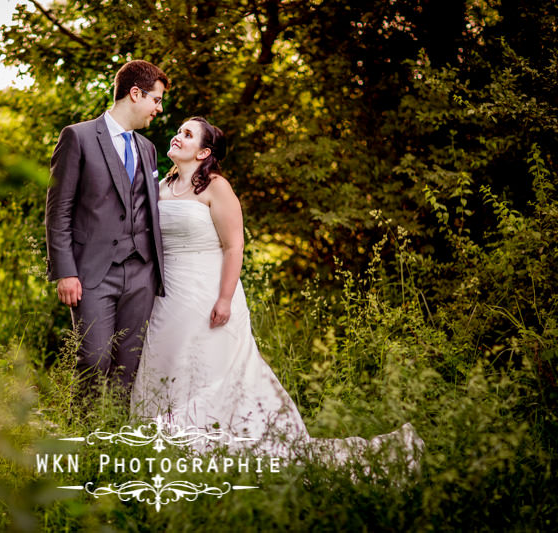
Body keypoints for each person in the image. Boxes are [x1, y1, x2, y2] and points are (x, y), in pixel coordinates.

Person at [130, 117, 424, 469]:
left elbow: (234, 246)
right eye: (179, 131)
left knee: (211, 372)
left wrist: (224, 299)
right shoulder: (161, 186)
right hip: (169, 298)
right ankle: (165, 454)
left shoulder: (216, 187)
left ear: (204, 152)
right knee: (168, 368)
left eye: (187, 135)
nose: (178, 137)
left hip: (209, 295)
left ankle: (218, 451)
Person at [45, 60, 169, 394]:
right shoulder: (78, 137)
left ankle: (114, 441)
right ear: (134, 93)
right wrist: (65, 272)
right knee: (93, 360)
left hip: (142, 273)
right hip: (92, 273)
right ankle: (84, 441)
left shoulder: (148, 149)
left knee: (127, 368)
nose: (158, 109)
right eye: (156, 100)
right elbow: (58, 211)